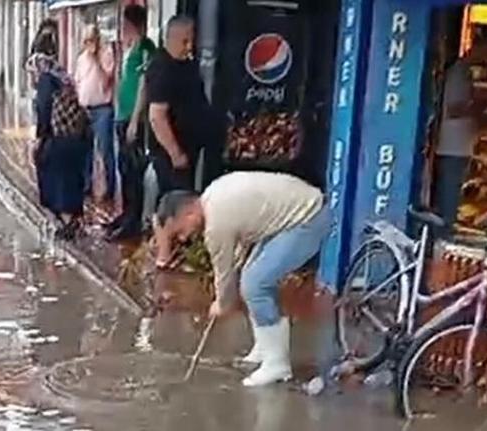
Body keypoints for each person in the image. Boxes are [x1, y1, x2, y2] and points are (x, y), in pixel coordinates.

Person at [155, 172, 330, 386]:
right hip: (297, 211)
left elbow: (224, 272)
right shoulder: (213, 194)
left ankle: (277, 364)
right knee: (252, 276)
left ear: (188, 212)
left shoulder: (216, 225)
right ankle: (265, 348)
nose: (183, 238)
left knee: (255, 284)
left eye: (180, 231)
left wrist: (221, 303)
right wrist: (226, 293)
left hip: (308, 218)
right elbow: (238, 251)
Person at [433, 31, 487, 235]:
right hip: (452, 146)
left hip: (459, 146)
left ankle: (443, 237)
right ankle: (442, 240)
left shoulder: (464, 72)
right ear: (479, 47)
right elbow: (452, 110)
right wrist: (478, 105)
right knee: (448, 201)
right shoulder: (459, 72)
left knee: (450, 198)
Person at [28, 33, 89, 240]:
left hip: (58, 139)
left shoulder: (46, 79)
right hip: (76, 137)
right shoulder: (62, 75)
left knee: (55, 178)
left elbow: (44, 110)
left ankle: (67, 221)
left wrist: (39, 139)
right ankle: (75, 219)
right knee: (73, 178)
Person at [106, 4, 156, 240]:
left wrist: (136, 119)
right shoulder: (128, 48)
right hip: (121, 114)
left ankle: (133, 220)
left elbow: (143, 85)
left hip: (132, 118)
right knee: (123, 167)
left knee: (134, 169)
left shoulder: (146, 48)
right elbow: (123, 80)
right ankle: (125, 213)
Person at [146, 15, 211, 196]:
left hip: (190, 147)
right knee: (176, 202)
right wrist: (175, 153)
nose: (189, 47)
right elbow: (157, 116)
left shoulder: (186, 65)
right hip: (171, 155)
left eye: (191, 40)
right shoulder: (163, 68)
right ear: (172, 38)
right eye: (184, 41)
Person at [74, 24, 116, 201]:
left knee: (105, 149)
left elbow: (107, 81)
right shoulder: (81, 59)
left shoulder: (106, 55)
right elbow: (77, 81)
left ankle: (110, 187)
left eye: (91, 39)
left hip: (102, 108)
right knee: (85, 150)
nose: (88, 44)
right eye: (86, 40)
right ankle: (86, 185)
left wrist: (97, 59)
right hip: (85, 109)